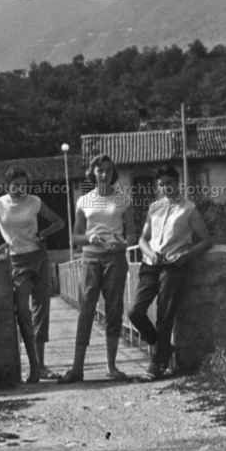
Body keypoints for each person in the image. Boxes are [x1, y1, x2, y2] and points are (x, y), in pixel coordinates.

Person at [0, 166, 65, 384]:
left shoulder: (35, 202)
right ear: (7, 186)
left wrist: (43, 234)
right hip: (16, 262)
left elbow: (59, 222)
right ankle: (34, 365)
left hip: (39, 258)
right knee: (22, 311)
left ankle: (40, 366)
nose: (20, 190)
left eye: (24, 185)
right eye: (16, 186)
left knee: (41, 312)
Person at [58, 154, 138, 383]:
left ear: (114, 173)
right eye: (99, 170)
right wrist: (90, 237)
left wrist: (121, 243)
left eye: (108, 170)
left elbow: (132, 235)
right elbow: (75, 237)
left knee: (114, 310)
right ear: (92, 173)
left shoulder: (123, 199)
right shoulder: (84, 201)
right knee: (86, 309)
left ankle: (111, 367)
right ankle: (77, 368)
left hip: (116, 258)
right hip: (91, 258)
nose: (104, 174)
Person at [129, 165, 213, 382]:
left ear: (177, 183)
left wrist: (186, 256)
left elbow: (206, 240)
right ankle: (164, 349)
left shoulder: (189, 209)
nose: (165, 188)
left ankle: (157, 364)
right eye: (161, 185)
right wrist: (149, 253)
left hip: (175, 265)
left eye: (169, 183)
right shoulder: (154, 207)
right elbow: (142, 239)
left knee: (165, 316)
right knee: (135, 312)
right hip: (150, 263)